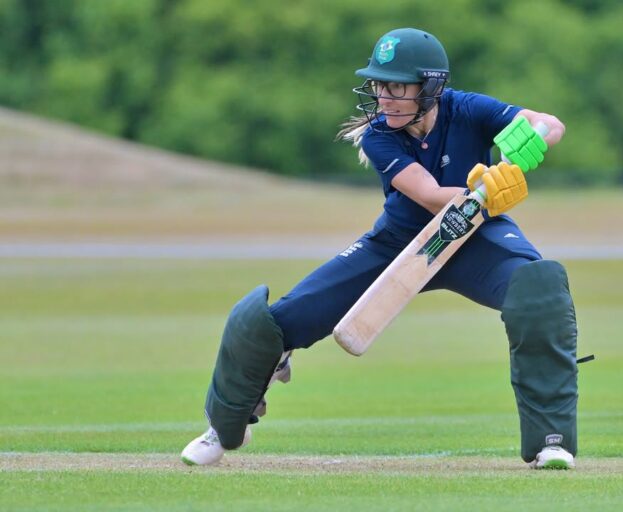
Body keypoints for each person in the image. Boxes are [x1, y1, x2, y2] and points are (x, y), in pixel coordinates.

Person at [181, 27, 578, 470]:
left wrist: (527, 146)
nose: (383, 96)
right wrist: (484, 191)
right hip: (398, 242)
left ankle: (551, 441)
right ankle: (223, 427)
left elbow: (552, 124)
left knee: (539, 289)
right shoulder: (378, 135)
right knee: (272, 323)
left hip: (477, 238)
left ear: (429, 89)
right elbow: (428, 196)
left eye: (395, 86)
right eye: (378, 85)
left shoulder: (466, 107)